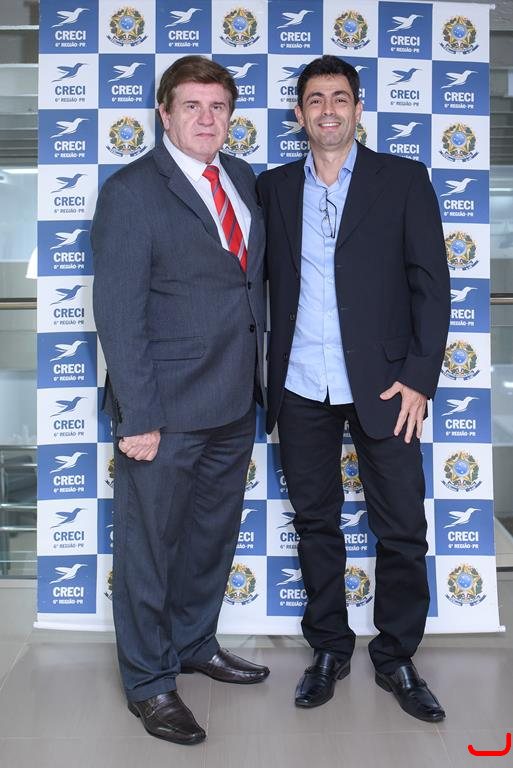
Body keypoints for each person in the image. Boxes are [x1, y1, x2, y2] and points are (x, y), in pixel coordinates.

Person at [256, 55, 450, 722]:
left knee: (402, 528)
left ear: (359, 108)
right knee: (316, 524)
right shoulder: (273, 187)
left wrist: (419, 377)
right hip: (300, 384)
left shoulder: (403, 179)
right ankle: (329, 649)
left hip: (387, 386)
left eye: (340, 98)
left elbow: (432, 286)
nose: (328, 110)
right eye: (315, 99)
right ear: (299, 113)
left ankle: (396, 656)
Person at [91, 55, 268, 746]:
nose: (205, 118)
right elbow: (119, 312)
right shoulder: (132, 191)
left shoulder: (242, 178)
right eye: (191, 105)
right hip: (162, 411)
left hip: (233, 402)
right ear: (163, 114)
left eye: (217, 107)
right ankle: (149, 682)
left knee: (208, 540)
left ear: (230, 116)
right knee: (149, 551)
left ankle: (194, 643)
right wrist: (138, 417)